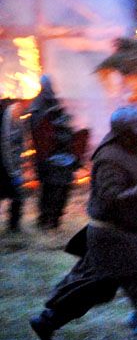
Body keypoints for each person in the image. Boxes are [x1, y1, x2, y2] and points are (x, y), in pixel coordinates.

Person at [28, 106, 137, 340]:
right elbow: (109, 198)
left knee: (95, 287)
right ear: (123, 134)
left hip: (126, 234)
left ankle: (47, 322)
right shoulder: (110, 159)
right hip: (114, 236)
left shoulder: (132, 152)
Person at [28, 76, 78, 229]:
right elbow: (38, 131)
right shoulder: (37, 105)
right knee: (48, 190)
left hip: (62, 156)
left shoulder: (55, 102)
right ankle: (44, 220)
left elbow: (66, 125)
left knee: (62, 189)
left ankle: (55, 220)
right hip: (47, 157)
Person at [1, 98, 25, 232]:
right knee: (17, 196)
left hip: (9, 167)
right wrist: (14, 171)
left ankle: (14, 227)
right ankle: (13, 227)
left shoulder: (14, 115)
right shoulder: (10, 115)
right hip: (6, 168)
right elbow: (7, 144)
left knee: (16, 197)